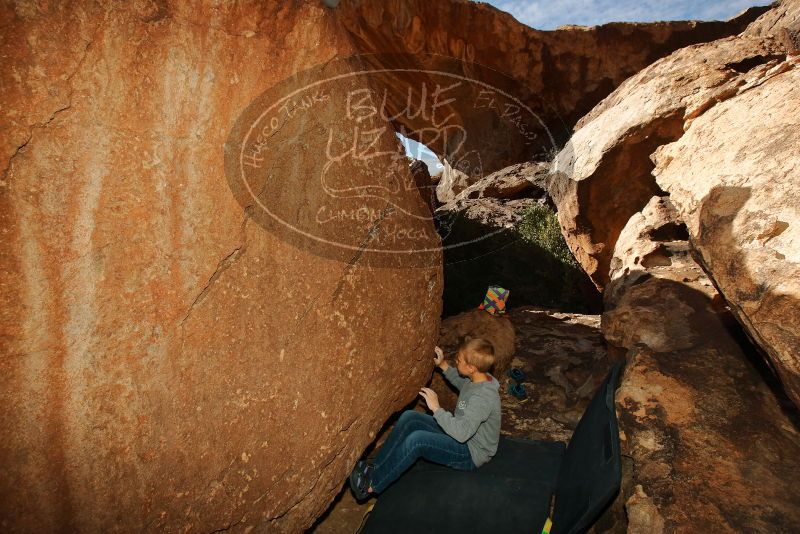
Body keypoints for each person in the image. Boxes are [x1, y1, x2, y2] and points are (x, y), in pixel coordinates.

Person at [349, 338, 501, 501]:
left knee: (417, 440)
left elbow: (462, 434)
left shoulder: (482, 398)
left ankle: (371, 486)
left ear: (471, 368)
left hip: (471, 452)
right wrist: (443, 365)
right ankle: (374, 468)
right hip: (461, 434)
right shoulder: (480, 378)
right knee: (410, 417)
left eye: (459, 360)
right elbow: (463, 384)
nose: (456, 361)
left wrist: (436, 408)